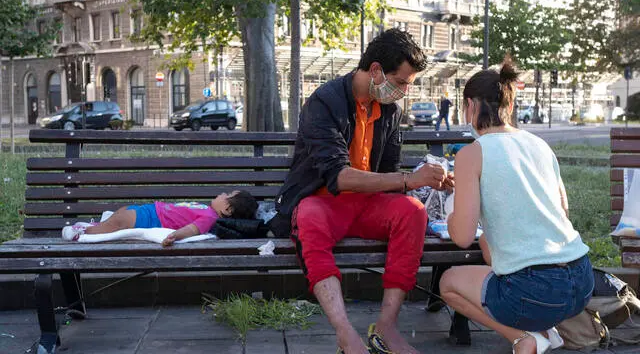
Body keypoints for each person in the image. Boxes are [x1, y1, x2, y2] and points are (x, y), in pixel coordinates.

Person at [270, 28, 453, 354]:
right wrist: (410, 180)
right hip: (323, 201)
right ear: (376, 70)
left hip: (366, 206)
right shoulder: (324, 102)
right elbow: (338, 178)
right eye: (401, 82)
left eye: (409, 85)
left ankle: (385, 328)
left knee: (412, 211)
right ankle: (344, 333)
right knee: (309, 216)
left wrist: (429, 181)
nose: (404, 92)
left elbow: (389, 177)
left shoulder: (390, 112)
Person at [439, 59, 593, 354]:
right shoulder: (540, 144)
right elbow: (562, 212)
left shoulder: (472, 154)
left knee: (448, 282)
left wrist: (450, 216)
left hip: (534, 291)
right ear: (508, 105)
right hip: (581, 280)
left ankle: (524, 338)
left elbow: (460, 236)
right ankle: (545, 329)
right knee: (488, 246)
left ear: (469, 106)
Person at [62, 190, 258, 247]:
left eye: (228, 194)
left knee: (118, 222)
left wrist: (175, 236)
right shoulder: (206, 209)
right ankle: (97, 226)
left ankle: (84, 233)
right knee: (118, 216)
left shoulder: (209, 218)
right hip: (148, 211)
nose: (222, 193)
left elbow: (192, 230)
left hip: (149, 220)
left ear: (228, 209)